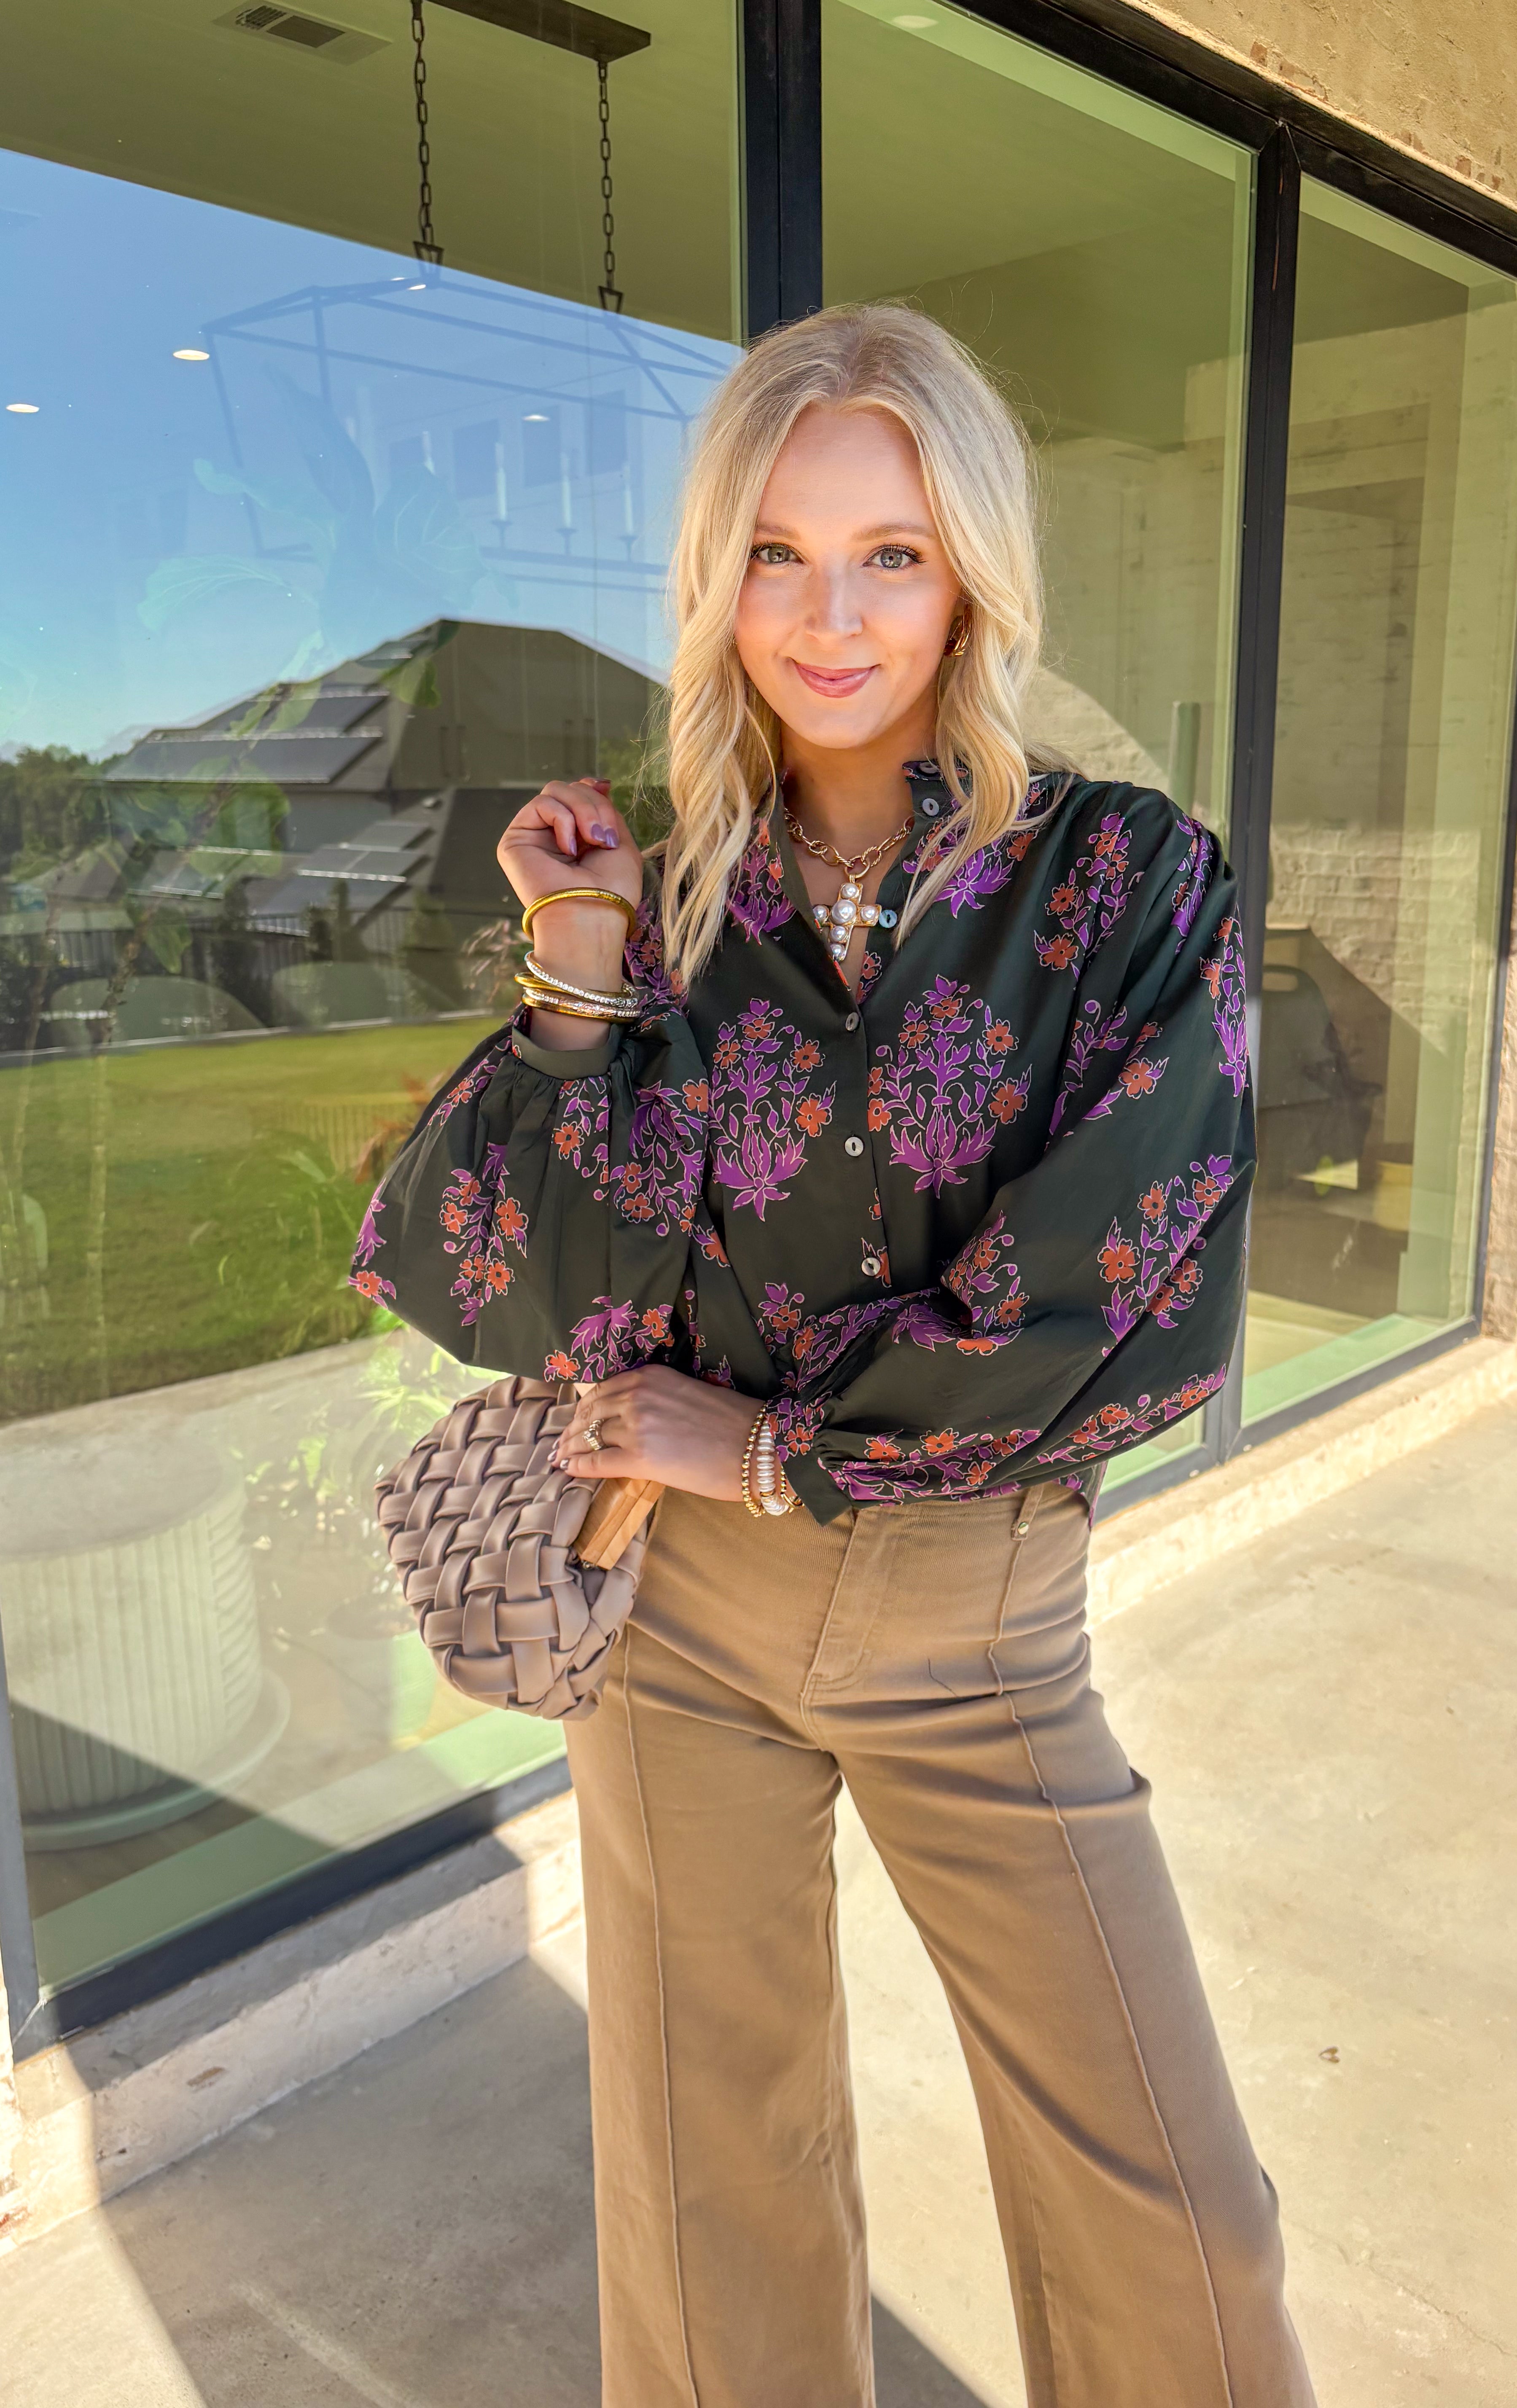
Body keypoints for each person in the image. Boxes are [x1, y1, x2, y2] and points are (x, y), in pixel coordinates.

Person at [357, 303, 1314, 2408]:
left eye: (887, 549)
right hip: (676, 1626)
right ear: (716, 577)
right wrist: (578, 972)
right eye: (776, 553)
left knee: (1174, 2213)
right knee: (713, 2204)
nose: (830, 611)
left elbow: (1140, 1301)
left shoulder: (1125, 884)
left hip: (978, 1623)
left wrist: (780, 1446)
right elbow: (517, 1274)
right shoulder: (666, 889)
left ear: (970, 559)